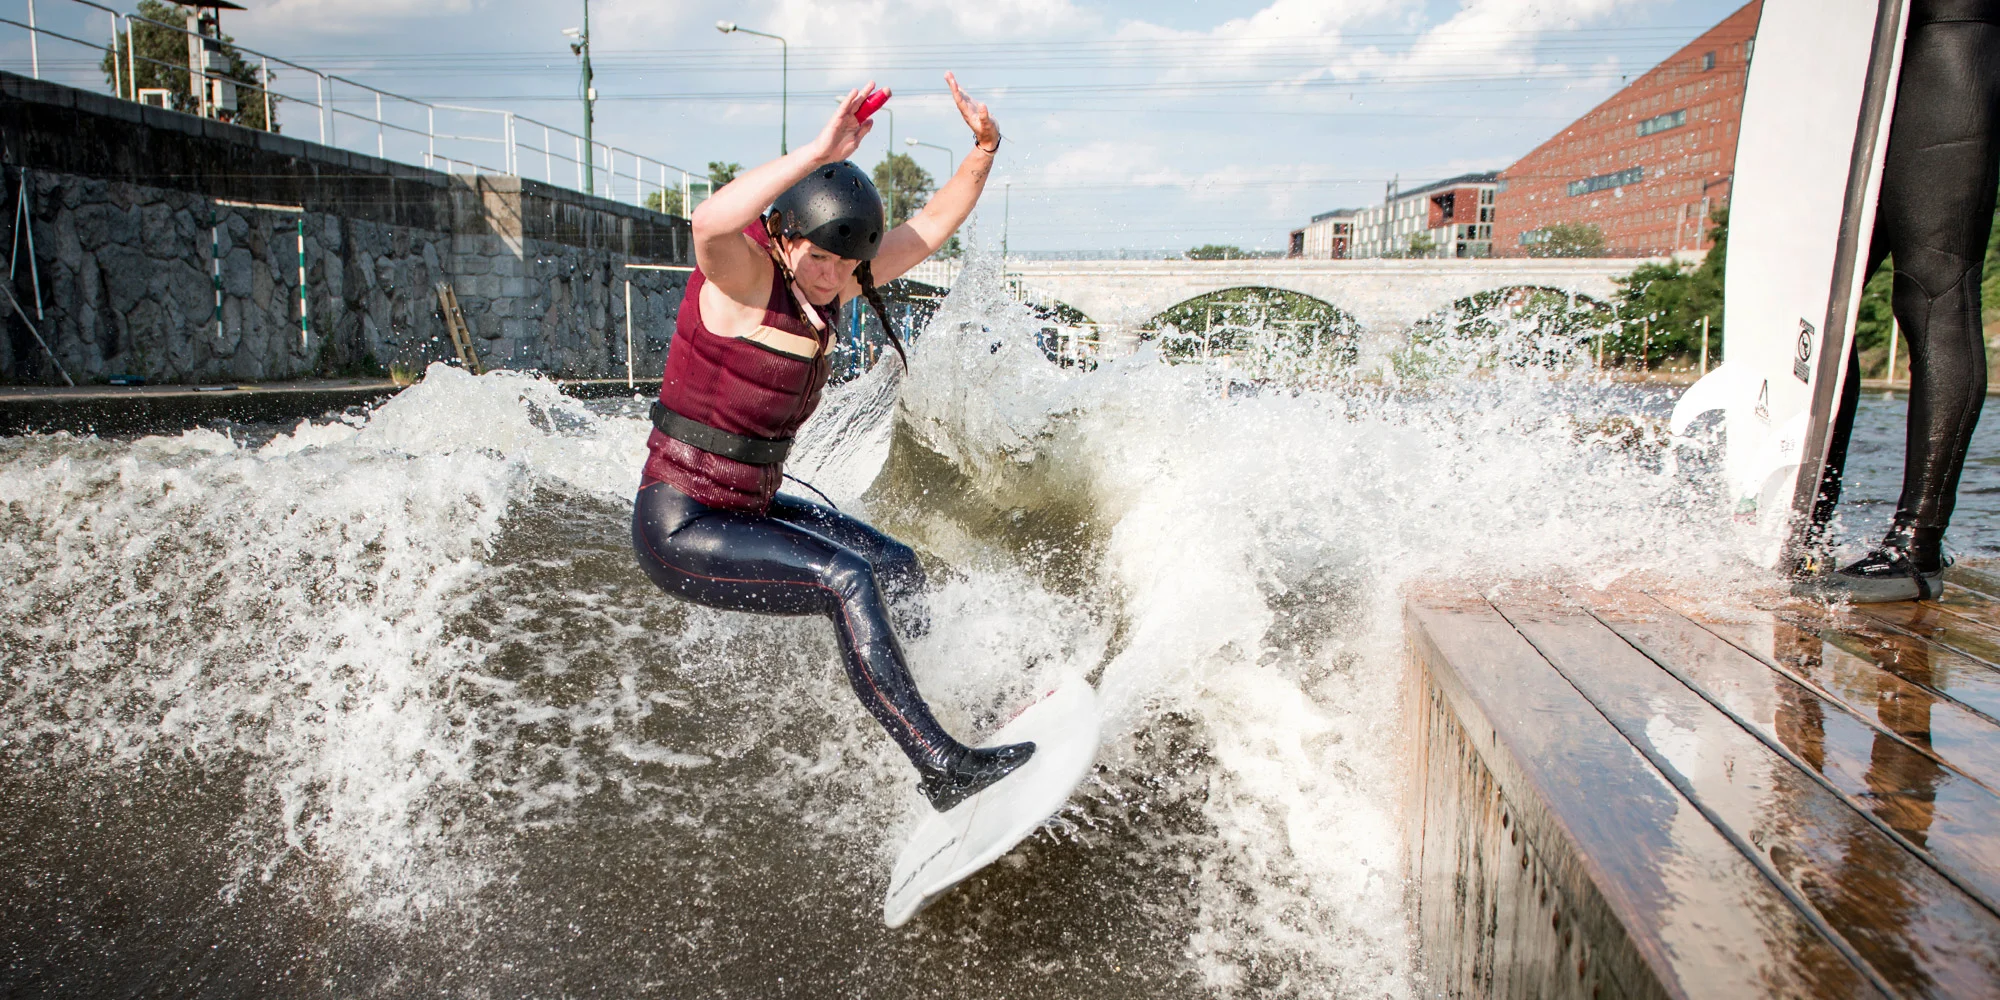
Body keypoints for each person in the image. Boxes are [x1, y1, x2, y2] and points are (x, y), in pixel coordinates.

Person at [630, 75, 1032, 811]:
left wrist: (984, 150)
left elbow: (929, 229)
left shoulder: (832, 288)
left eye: (847, 266)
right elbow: (707, 222)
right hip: (680, 524)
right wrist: (819, 150)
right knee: (847, 578)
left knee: (896, 566)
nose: (834, 276)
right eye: (821, 260)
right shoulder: (742, 278)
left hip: (749, 509)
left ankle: (957, 708)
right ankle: (941, 768)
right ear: (786, 237)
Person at [1802, 0, 2000, 603]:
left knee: (1932, 292)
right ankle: (1802, 530)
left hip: (1949, 39)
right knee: (1814, 297)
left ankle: (1916, 546)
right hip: (1852, 46)